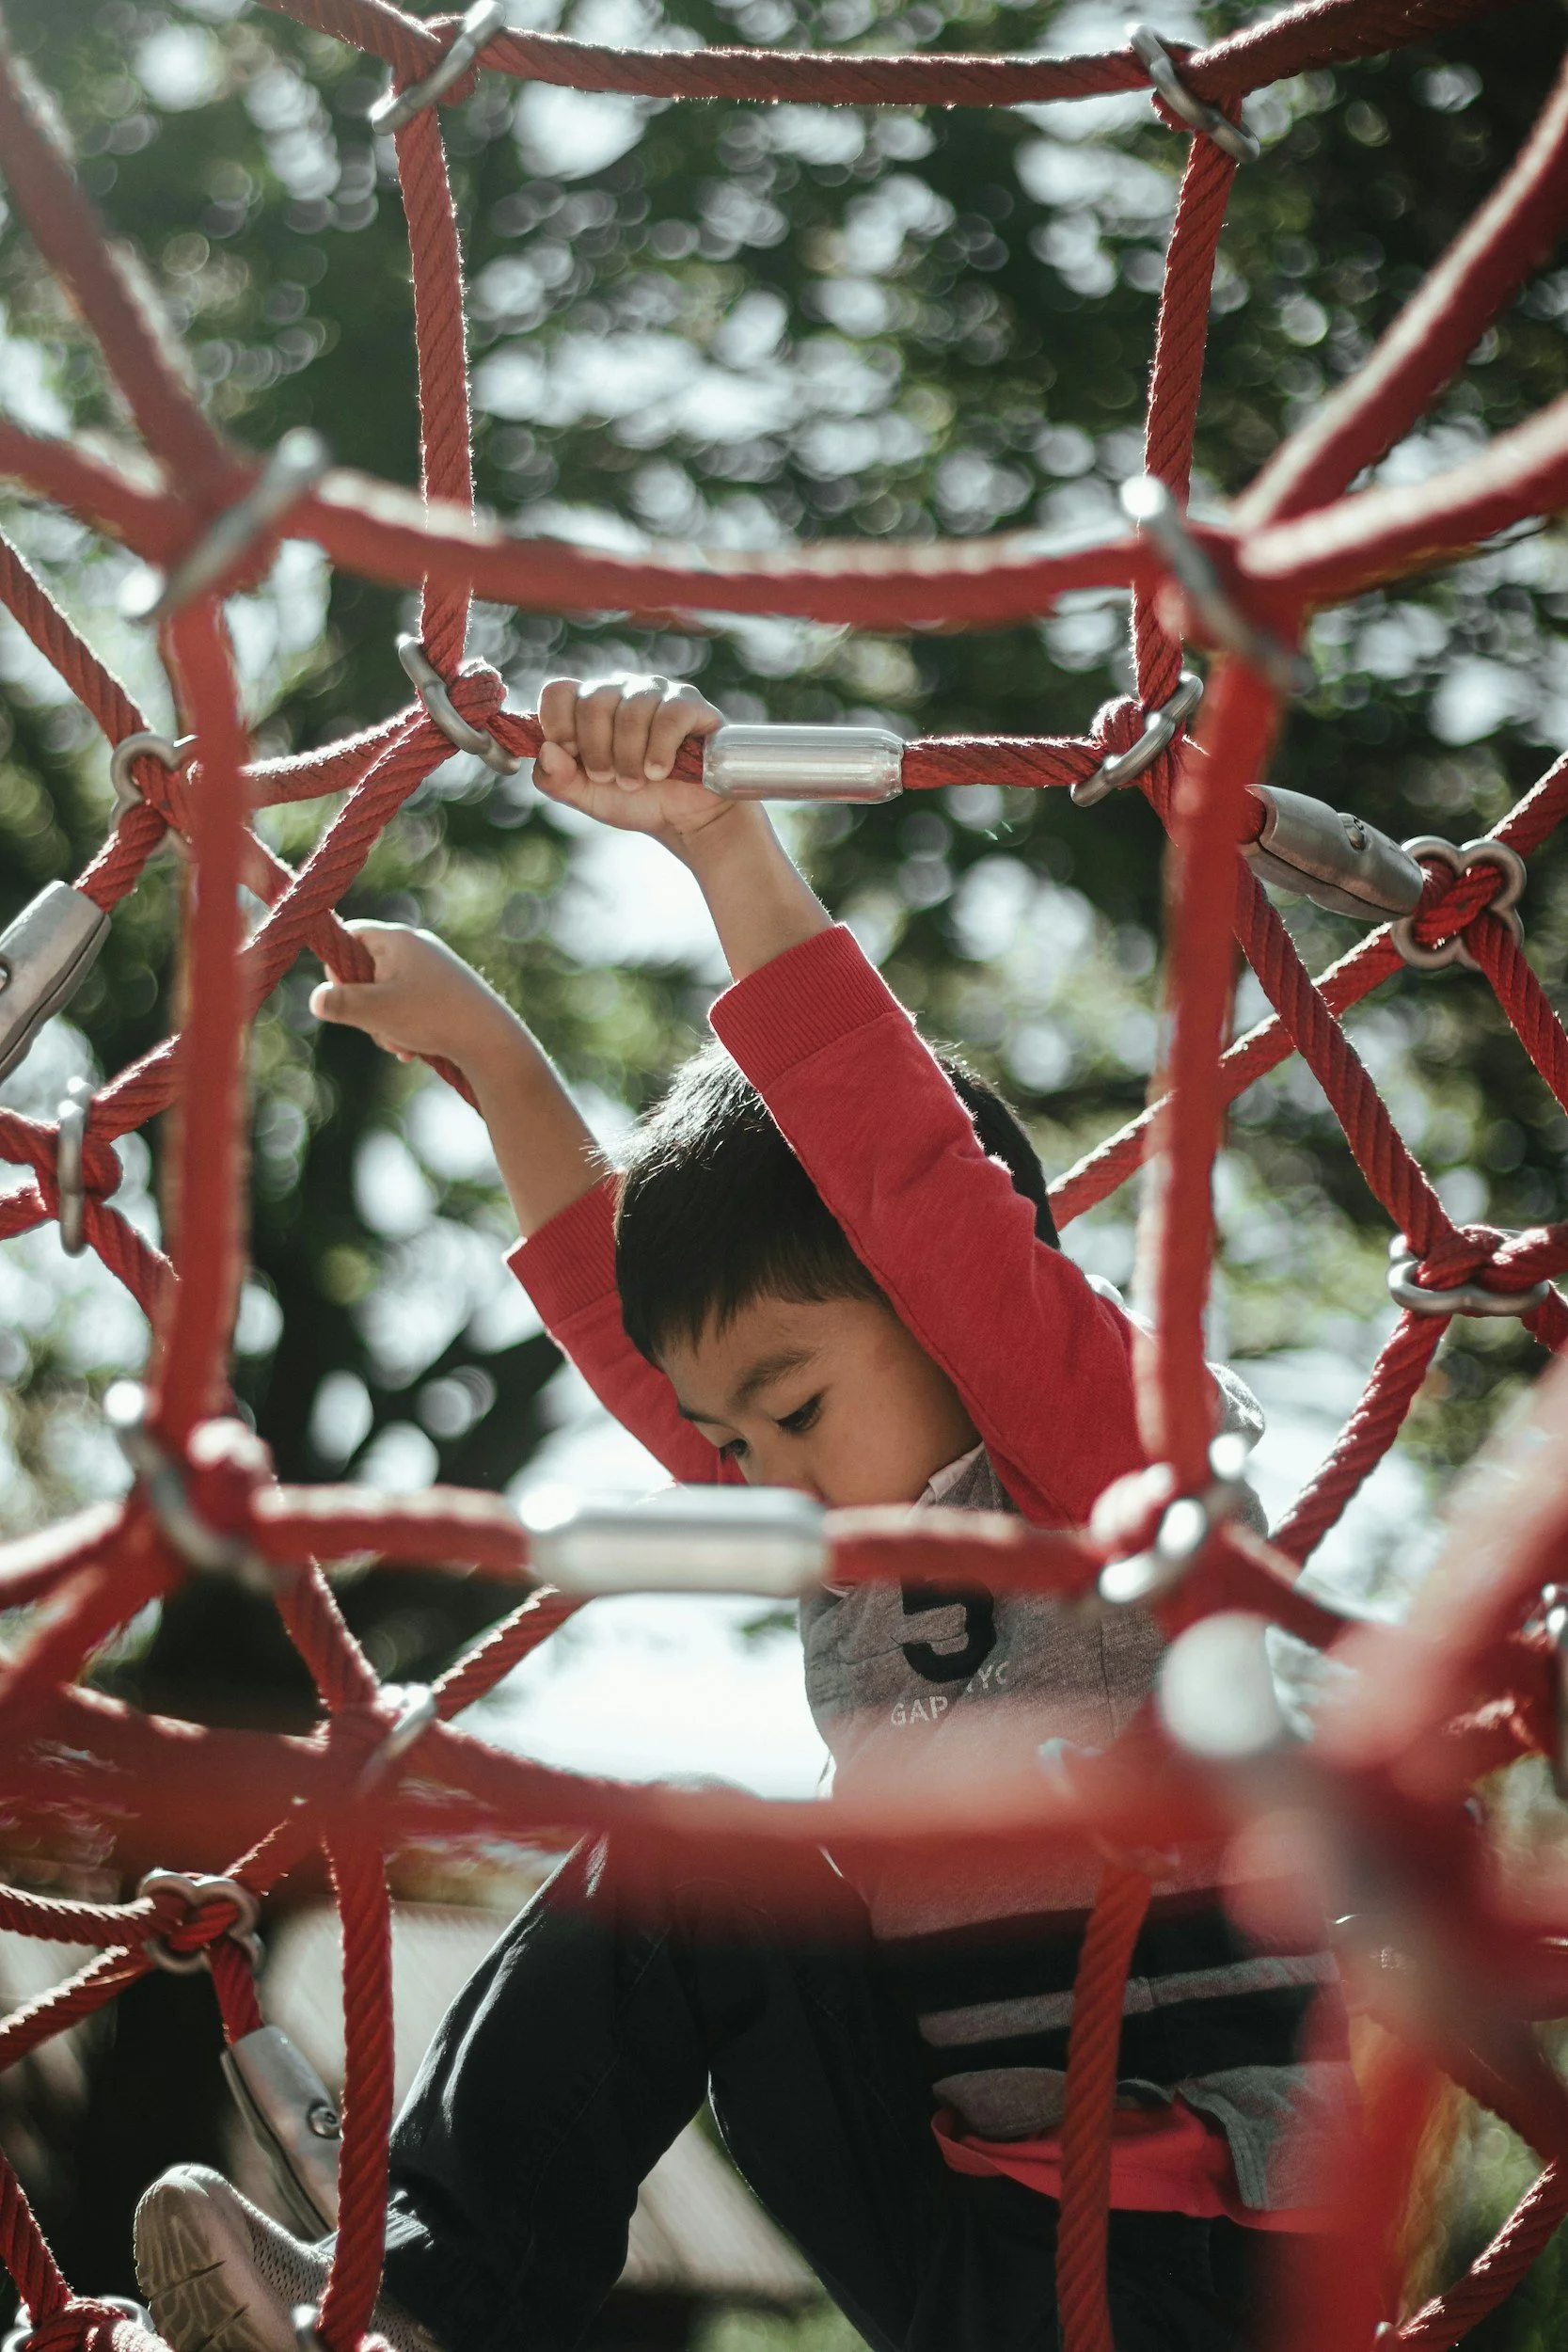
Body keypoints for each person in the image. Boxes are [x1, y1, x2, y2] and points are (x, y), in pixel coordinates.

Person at [135, 677, 1349, 2352]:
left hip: (1192, 2253)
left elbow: (927, 1209)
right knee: (681, 1848)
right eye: (731, 1435)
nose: (754, 1468)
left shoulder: (1102, 1473)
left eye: (791, 1408)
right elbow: (641, 1343)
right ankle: (429, 2301)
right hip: (963, 2193)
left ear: (948, 1320)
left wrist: (722, 848)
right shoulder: (837, 1506)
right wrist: (491, 1058)